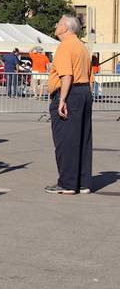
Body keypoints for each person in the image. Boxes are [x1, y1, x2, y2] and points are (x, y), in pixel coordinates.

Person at [46, 15, 92, 195]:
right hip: (83, 93)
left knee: (66, 141)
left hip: (70, 93)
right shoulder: (81, 46)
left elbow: (66, 75)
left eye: (58, 23)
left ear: (65, 28)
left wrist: (62, 100)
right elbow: (88, 75)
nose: (55, 25)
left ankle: (67, 183)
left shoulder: (65, 46)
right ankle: (83, 182)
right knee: (83, 139)